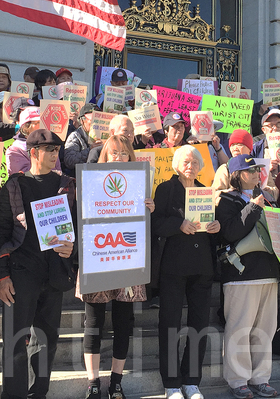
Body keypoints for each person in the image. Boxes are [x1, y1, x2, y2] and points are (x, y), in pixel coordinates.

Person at [0, 129, 76, 399]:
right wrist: (1, 276)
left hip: (54, 273)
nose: (54, 155)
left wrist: (72, 249)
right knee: (15, 340)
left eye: (56, 150)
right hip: (21, 273)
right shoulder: (14, 186)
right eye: (48, 150)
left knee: (48, 339)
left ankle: (39, 392)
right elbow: (2, 233)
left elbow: (80, 227)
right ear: (33, 153)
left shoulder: (68, 185)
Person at [80, 135, 155, 399]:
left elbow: (144, 227)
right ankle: (92, 382)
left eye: (124, 154)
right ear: (104, 156)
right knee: (94, 322)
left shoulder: (140, 185)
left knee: (124, 322)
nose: (119, 158)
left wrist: (150, 208)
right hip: (98, 258)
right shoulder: (90, 182)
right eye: (114, 153)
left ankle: (116, 382)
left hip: (128, 258)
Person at [152, 144, 220, 399]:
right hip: (173, 267)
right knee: (169, 324)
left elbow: (212, 229)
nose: (190, 166)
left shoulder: (205, 191)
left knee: (199, 325)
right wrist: (178, 224)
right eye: (186, 161)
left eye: (194, 162)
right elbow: (156, 223)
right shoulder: (166, 189)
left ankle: (192, 381)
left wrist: (216, 226)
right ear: (176, 164)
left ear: (201, 167)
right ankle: (171, 383)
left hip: (202, 267)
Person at [217, 155, 280, 399]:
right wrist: (254, 207)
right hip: (241, 275)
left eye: (257, 170)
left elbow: (277, 236)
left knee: (266, 329)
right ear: (237, 174)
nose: (256, 174)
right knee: (240, 328)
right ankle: (238, 380)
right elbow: (231, 232)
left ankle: (261, 378)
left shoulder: (269, 198)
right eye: (250, 170)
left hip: (268, 274)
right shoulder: (226, 200)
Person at [65, 104, 102, 172]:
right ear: (82, 121)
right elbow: (69, 160)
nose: (96, 123)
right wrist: (90, 150)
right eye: (93, 120)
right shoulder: (75, 136)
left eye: (99, 119)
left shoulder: (106, 135)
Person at [6, 107, 41, 174]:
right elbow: (22, 178)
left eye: (41, 122)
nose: (41, 126)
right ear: (26, 126)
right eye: (37, 123)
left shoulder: (49, 145)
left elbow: (58, 172)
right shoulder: (15, 150)